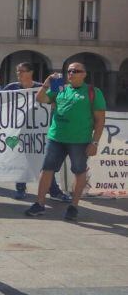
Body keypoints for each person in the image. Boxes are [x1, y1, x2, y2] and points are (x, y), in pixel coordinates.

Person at [26, 62, 106, 221]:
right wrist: (46, 83)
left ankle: (74, 206)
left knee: (79, 171)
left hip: (80, 141)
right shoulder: (60, 88)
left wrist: (95, 143)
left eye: (76, 71)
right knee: (46, 170)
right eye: (69, 71)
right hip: (56, 138)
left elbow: (100, 120)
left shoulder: (92, 92)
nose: (71, 73)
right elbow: (41, 98)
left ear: (84, 74)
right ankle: (39, 204)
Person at [5, 62, 70, 201]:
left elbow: (60, 95)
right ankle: (21, 189)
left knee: (45, 162)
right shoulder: (11, 87)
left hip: (41, 131)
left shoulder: (40, 87)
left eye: (22, 71)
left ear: (30, 72)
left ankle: (53, 191)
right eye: (17, 71)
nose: (19, 74)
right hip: (20, 131)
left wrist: (56, 79)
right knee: (22, 160)